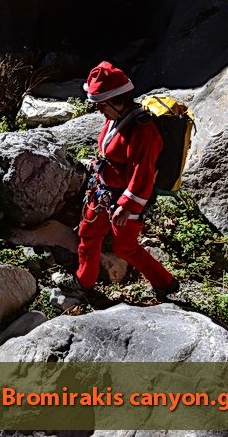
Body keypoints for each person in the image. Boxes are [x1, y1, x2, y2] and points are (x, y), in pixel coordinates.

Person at [67, 61, 179, 300]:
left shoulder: (144, 131)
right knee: (88, 236)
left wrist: (127, 207)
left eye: (101, 105)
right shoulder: (115, 118)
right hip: (102, 192)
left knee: (125, 248)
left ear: (118, 101)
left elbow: (143, 174)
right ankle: (84, 282)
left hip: (124, 201)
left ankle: (165, 283)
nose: (98, 111)